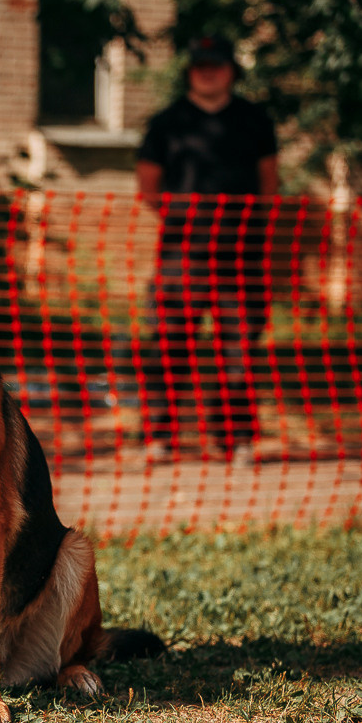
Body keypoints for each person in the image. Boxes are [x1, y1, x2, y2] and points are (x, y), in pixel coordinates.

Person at [135, 34, 279, 464]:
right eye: (200, 65)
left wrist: (249, 226)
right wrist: (186, 222)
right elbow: (148, 185)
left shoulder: (255, 120)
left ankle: (235, 439)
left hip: (241, 256)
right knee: (168, 344)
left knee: (240, 348)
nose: (208, 72)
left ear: (232, 70)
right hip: (181, 257)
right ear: (190, 71)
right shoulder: (167, 122)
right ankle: (159, 437)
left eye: (216, 64)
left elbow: (269, 180)